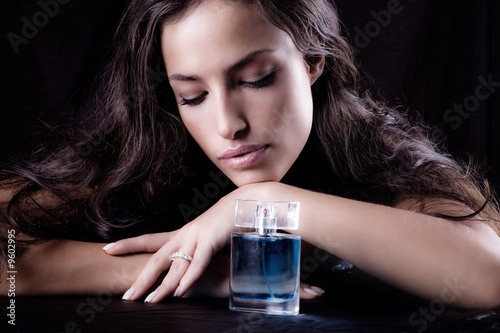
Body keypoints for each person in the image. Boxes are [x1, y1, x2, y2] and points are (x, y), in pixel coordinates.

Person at [1, 0, 500, 309]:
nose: (228, 125)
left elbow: (489, 274)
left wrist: (268, 199)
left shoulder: (373, 155)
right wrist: (185, 270)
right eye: (192, 96)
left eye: (255, 79)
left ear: (311, 61)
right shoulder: (148, 163)